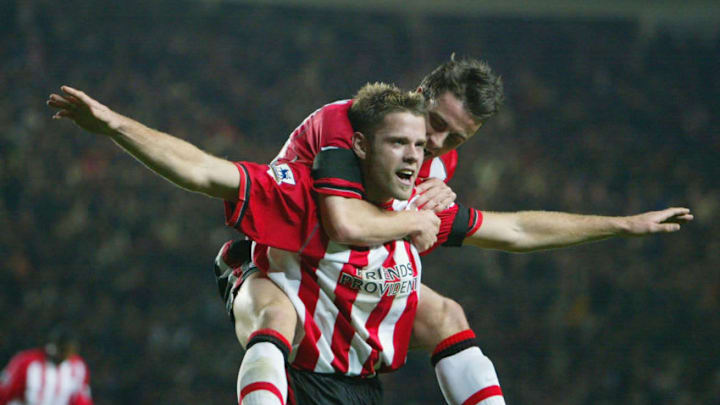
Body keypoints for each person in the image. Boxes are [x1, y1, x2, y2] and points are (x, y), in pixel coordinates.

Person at [47, 82, 692, 405]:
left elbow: (518, 228)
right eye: (405, 141)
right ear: (358, 146)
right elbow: (201, 168)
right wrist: (111, 125)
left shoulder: (425, 202)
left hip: (358, 383)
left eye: (431, 143)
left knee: (447, 314)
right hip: (295, 367)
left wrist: (621, 224)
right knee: (269, 310)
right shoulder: (308, 192)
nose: (424, 152)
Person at [0, 327, 93, 405]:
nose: (66, 355)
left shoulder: (78, 367)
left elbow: (81, 399)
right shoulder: (26, 363)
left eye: (69, 351)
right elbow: (4, 393)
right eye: (63, 350)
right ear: (53, 346)